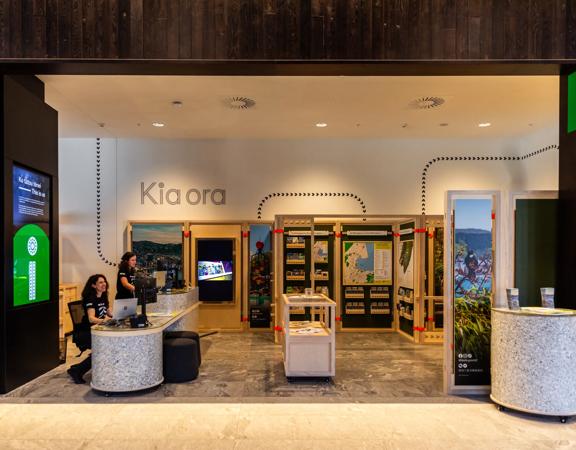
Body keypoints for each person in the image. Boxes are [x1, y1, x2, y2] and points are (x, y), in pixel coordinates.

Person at [67, 274, 113, 384]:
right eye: (100, 282)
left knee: (109, 344)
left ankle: (76, 368)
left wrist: (113, 313)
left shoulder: (103, 296)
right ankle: (77, 371)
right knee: (103, 349)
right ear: (93, 285)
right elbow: (91, 318)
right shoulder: (90, 299)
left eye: (104, 281)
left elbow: (107, 313)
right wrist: (104, 320)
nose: (104, 284)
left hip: (99, 329)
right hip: (87, 332)